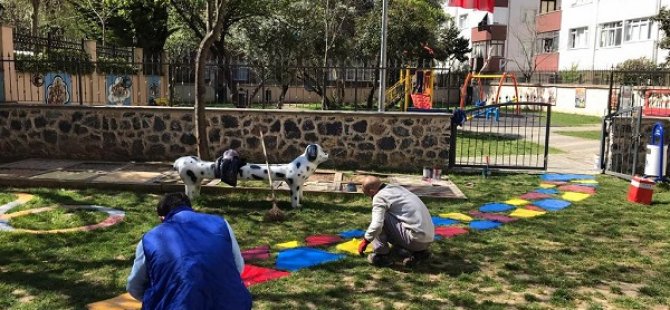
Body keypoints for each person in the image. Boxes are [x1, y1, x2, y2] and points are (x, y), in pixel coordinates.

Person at [126, 192, 252, 309]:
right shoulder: (221, 224)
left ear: (162, 218)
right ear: (191, 209)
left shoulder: (150, 240)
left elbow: (134, 286)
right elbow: (238, 266)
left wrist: (159, 298)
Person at [358, 176, 435, 267]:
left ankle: (381, 255)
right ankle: (420, 253)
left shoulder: (379, 197)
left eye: (369, 196)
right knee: (393, 216)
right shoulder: (396, 188)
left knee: (381, 218)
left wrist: (366, 240)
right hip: (428, 238)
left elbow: (377, 225)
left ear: (372, 191)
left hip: (415, 240)